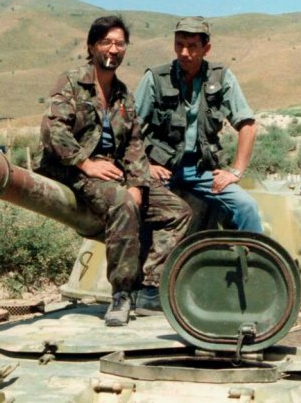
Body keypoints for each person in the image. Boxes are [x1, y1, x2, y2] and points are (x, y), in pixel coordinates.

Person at [37, 16, 192, 327]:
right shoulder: (71, 83)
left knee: (177, 211)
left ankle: (149, 287)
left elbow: (134, 143)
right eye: (106, 42)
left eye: (119, 44)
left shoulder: (122, 94)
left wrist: (138, 183)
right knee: (123, 204)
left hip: (112, 170)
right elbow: (53, 129)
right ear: (92, 46)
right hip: (73, 169)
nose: (113, 49)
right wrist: (85, 163)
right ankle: (122, 293)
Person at [134, 16, 263, 232]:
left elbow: (248, 125)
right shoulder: (155, 78)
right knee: (137, 209)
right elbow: (129, 128)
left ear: (206, 49)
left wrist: (235, 171)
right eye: (179, 45)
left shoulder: (221, 77)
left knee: (246, 207)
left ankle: (252, 253)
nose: (184, 52)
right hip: (162, 168)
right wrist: (145, 166)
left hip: (203, 170)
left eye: (192, 46)